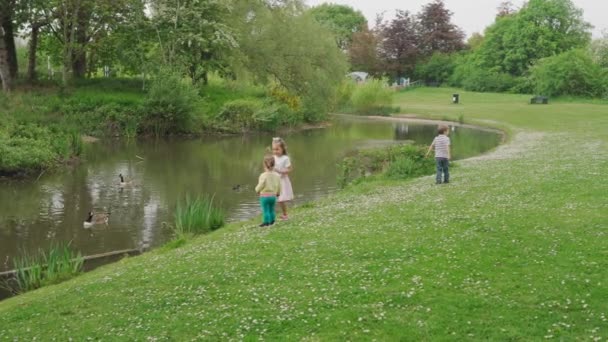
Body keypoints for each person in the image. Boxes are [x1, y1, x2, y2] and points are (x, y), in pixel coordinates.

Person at [255, 155, 281, 227]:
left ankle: (266, 222)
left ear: (264, 164)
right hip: (273, 196)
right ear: (274, 164)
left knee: (265, 210)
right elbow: (279, 185)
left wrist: (257, 190)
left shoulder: (263, 175)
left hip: (264, 196)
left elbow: (261, 184)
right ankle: (272, 221)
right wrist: (278, 193)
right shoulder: (277, 175)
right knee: (272, 209)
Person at [272, 137, 294, 220]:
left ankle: (285, 214)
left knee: (281, 199)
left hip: (282, 181)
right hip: (274, 180)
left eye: (277, 149)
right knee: (272, 197)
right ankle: (271, 213)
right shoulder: (273, 157)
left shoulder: (285, 158)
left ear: (283, 149)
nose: (275, 151)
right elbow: (269, 166)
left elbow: (290, 169)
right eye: (274, 149)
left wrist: (281, 171)